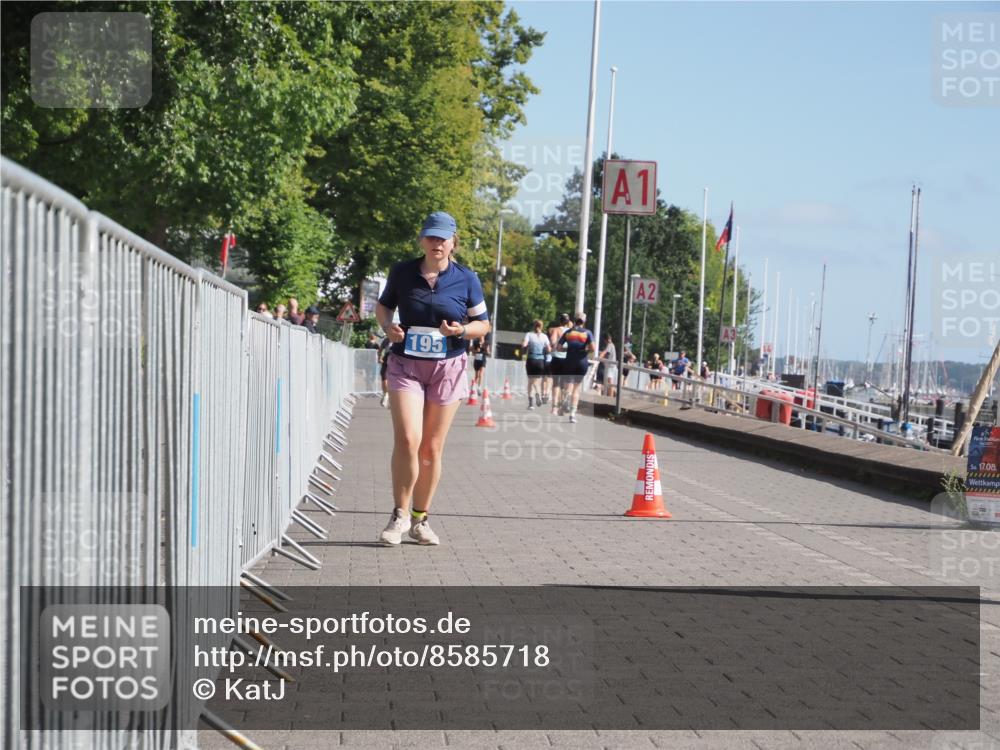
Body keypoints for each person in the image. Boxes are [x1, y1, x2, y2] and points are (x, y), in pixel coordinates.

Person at [375, 211, 490, 546]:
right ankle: (399, 514)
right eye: (431, 237)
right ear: (422, 239)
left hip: (448, 367)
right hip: (406, 364)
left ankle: (420, 520)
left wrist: (462, 330)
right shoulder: (402, 272)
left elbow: (484, 324)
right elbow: (383, 308)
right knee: (409, 439)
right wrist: (388, 327)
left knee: (431, 448)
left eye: (443, 238)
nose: (436, 243)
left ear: (453, 242)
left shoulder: (466, 279)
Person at [556, 312, 596, 423]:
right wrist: (584, 350)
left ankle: (565, 400)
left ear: (574, 320)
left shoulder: (568, 332)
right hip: (582, 362)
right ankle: (572, 415)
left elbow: (558, 348)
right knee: (577, 389)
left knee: (568, 386)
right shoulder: (588, 333)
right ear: (584, 321)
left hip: (569, 362)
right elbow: (593, 348)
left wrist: (568, 349)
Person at [521, 319, 550, 409]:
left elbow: (524, 345)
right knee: (536, 381)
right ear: (542, 327)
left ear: (534, 326)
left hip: (531, 360)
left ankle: (531, 403)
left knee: (530, 382)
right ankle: (538, 395)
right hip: (540, 361)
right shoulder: (545, 337)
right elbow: (549, 349)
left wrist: (524, 349)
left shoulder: (529, 334)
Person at [548, 313, 571, 415]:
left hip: (557, 357)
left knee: (556, 383)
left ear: (560, 321)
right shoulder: (571, 331)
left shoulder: (556, 330)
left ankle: (554, 408)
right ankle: (563, 406)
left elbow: (552, 342)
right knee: (565, 384)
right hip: (568, 359)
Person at [598, 333, 618, 398]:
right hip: (612, 366)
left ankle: (610, 397)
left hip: (610, 367)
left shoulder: (609, 345)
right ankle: (610, 396)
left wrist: (599, 357)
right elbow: (607, 354)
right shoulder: (612, 345)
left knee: (609, 382)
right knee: (609, 382)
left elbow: (605, 352)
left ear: (605, 340)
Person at [378, 335, 392, 408]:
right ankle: (385, 394)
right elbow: (380, 349)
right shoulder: (387, 340)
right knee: (384, 378)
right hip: (387, 358)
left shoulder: (402, 337)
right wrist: (379, 358)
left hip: (396, 359)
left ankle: (391, 399)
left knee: (394, 380)